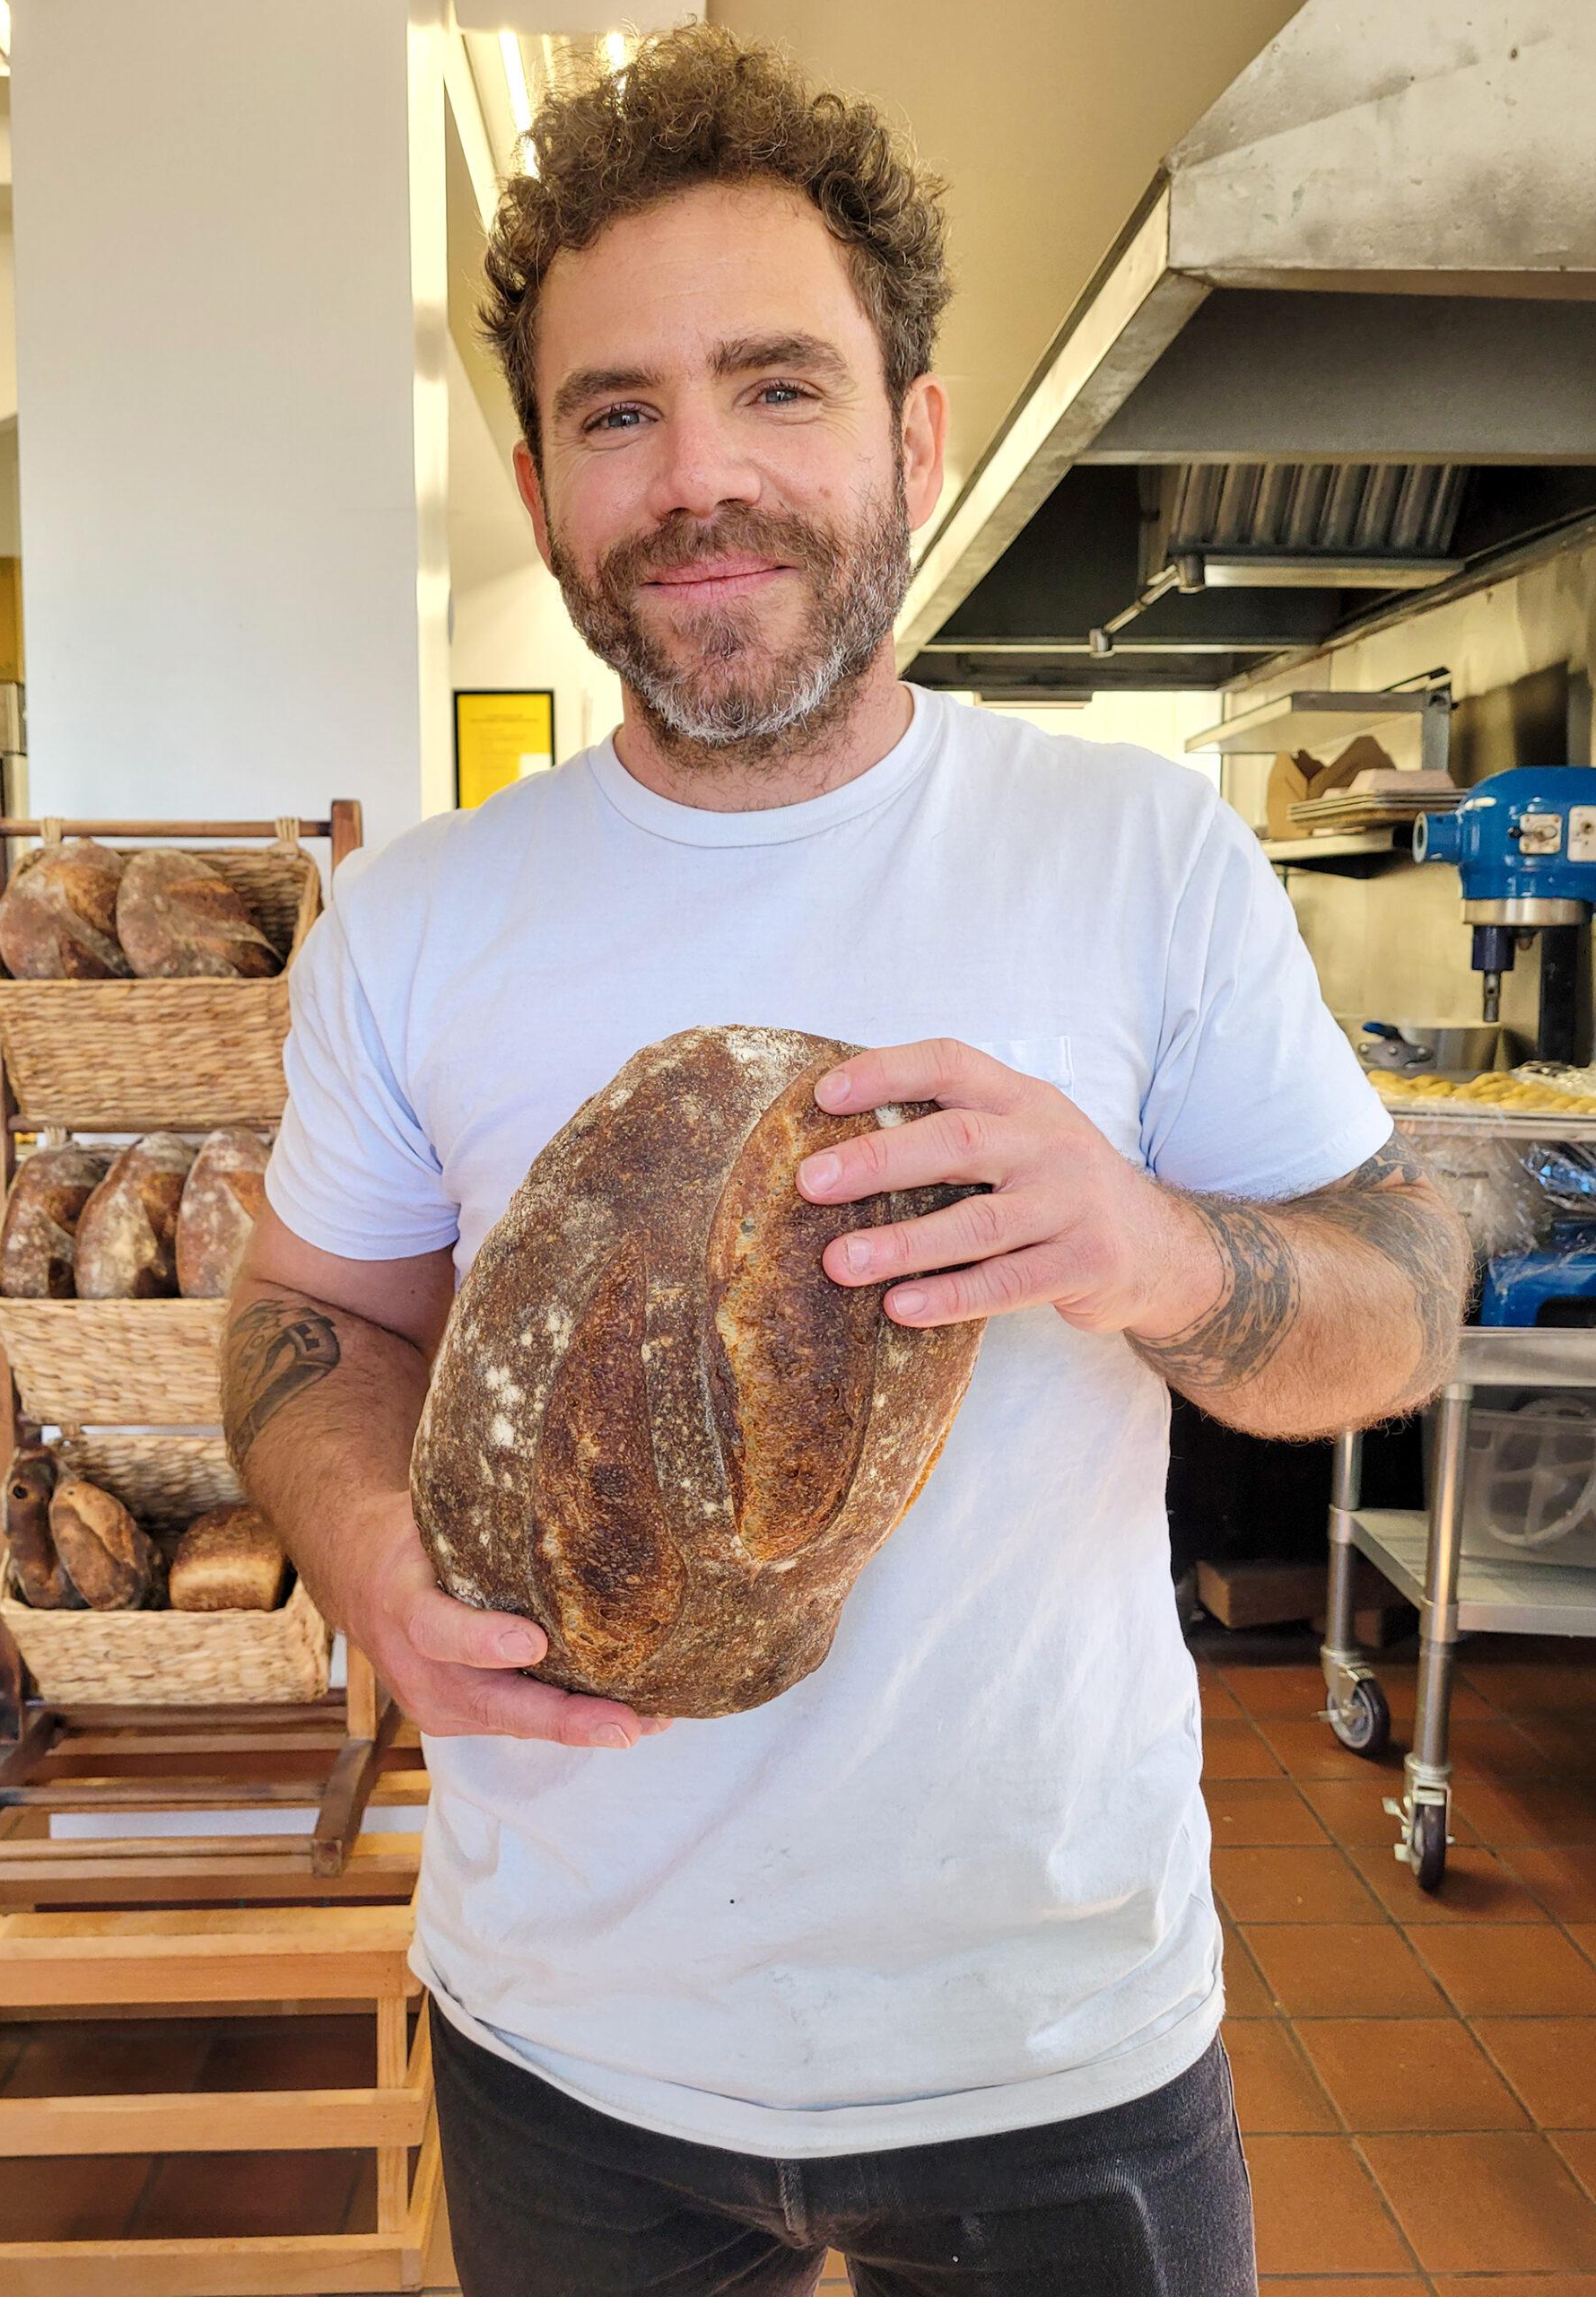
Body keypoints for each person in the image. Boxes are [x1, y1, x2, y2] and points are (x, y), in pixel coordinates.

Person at [226, 28, 1468, 2296]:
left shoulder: (1137, 853)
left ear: (910, 432)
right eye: (620, 411)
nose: (699, 476)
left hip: (1052, 2036)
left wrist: (1162, 1251)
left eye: (776, 385)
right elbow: (313, 1324)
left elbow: (1400, 1295)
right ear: (536, 487)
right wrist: (374, 1563)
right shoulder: (412, 916)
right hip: (571, 2035)